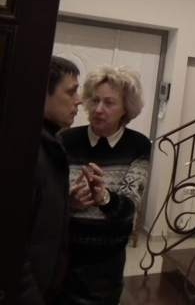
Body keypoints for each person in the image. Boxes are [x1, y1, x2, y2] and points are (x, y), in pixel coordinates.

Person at [59, 67, 151, 305]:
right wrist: (69, 203)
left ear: (126, 109)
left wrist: (105, 198)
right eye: (94, 100)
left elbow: (130, 207)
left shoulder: (138, 145)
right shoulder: (65, 139)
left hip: (106, 264)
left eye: (109, 103)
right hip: (63, 255)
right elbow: (45, 202)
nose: (98, 109)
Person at [16, 56, 82, 305]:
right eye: (71, 92)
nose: (80, 100)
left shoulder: (50, 143)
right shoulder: (25, 148)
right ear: (41, 92)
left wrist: (67, 205)